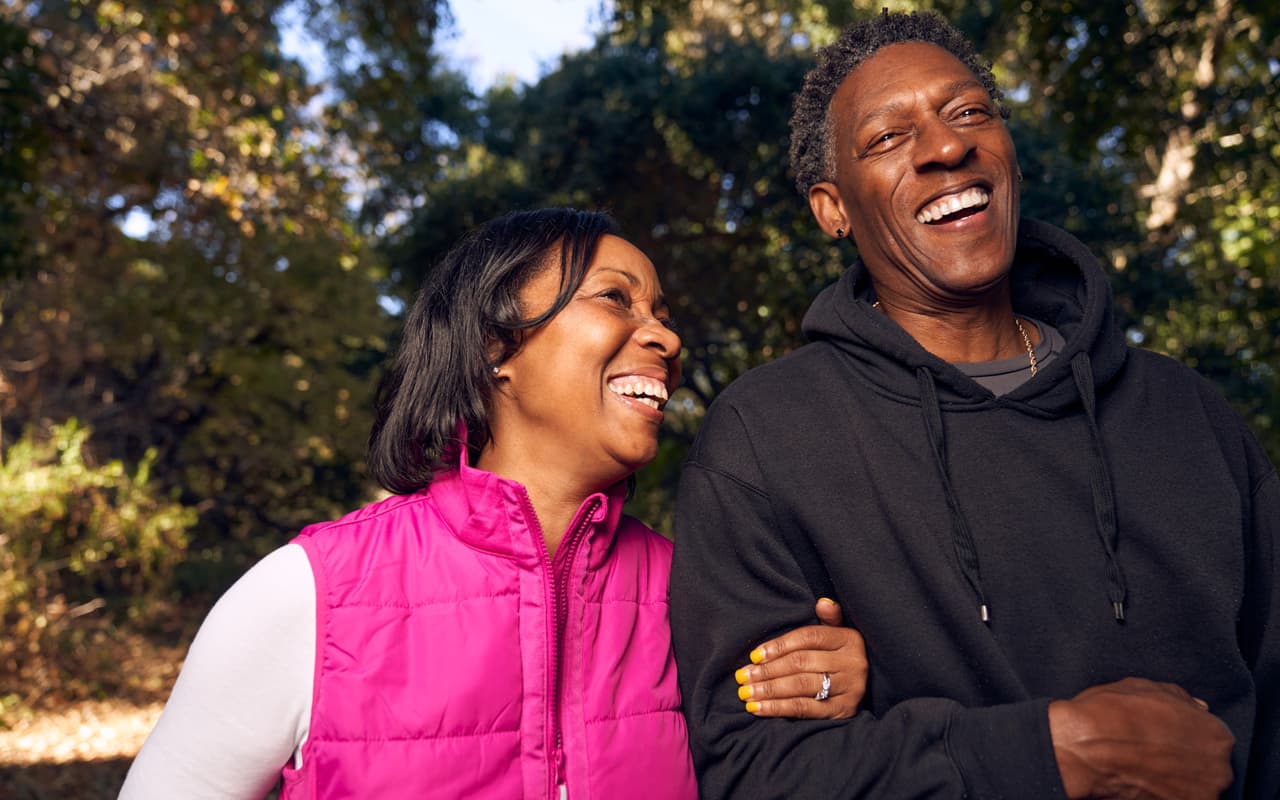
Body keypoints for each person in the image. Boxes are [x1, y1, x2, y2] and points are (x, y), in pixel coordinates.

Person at [670, 10, 1277, 799]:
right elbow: (754, 772)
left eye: (968, 113)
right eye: (888, 138)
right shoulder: (767, 440)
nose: (947, 147)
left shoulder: (1186, 413)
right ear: (834, 209)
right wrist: (1050, 753)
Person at [119, 209, 869, 799]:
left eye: (663, 312)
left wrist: (832, 687)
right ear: (493, 346)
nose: (666, 336)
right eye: (616, 297)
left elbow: (773, 764)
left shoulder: (697, 590)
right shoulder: (306, 595)